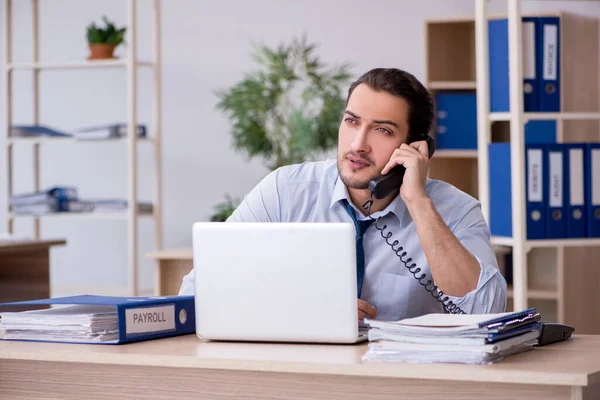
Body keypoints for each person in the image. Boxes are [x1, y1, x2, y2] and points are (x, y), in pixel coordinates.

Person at [179, 68, 507, 321]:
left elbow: (486, 311)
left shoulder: (456, 211)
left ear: (415, 146)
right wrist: (301, 311)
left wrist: (418, 204)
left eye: (382, 130)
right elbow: (197, 291)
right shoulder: (284, 192)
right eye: (351, 122)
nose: (357, 144)